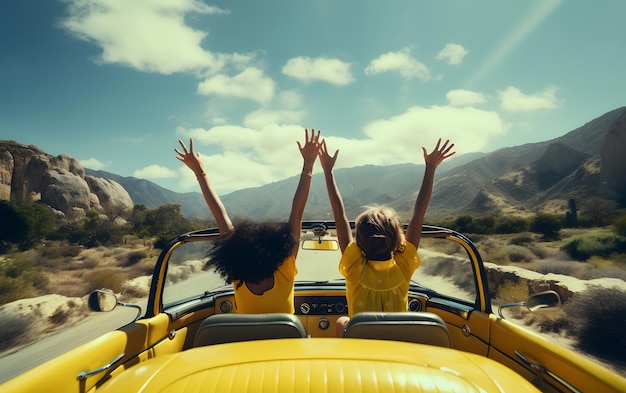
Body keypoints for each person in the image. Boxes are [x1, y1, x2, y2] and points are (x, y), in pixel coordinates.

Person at [318, 137, 455, 336]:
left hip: (363, 345)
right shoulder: (403, 267)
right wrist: (430, 168)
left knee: (342, 321)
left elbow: (339, 214)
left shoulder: (354, 268)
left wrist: (328, 172)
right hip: (397, 346)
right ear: (397, 238)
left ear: (360, 243)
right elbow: (419, 214)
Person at [175, 129, 320, 313]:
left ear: (236, 253)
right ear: (275, 247)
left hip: (244, 342)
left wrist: (200, 172)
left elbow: (220, 215)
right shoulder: (285, 268)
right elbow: (297, 212)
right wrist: (308, 164)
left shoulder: (238, 273)